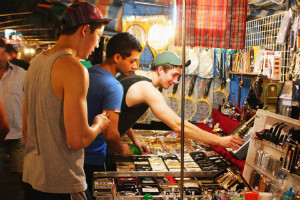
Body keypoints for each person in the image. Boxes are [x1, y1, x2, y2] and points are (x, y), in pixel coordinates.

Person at [22, 2, 111, 200]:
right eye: (97, 37)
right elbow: (78, 140)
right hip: (62, 183)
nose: (97, 45)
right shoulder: (74, 68)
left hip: (32, 178)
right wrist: (98, 124)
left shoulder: (35, 63)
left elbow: (27, 131)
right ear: (85, 30)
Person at [117, 51, 244, 150]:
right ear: (160, 70)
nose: (176, 81)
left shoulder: (134, 75)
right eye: (174, 75)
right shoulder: (147, 88)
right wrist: (219, 140)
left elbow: (121, 113)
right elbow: (177, 125)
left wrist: (135, 139)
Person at [84, 32, 145, 198]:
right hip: (93, 156)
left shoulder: (89, 73)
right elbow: (111, 135)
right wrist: (122, 149)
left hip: (77, 154)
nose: (135, 66)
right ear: (118, 57)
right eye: (132, 60)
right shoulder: (113, 86)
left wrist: (133, 137)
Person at [0, 38, 26, 181]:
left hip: (18, 132)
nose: (1, 58)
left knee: (23, 175)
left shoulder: (21, 74)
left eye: (3, 53)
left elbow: (30, 99)